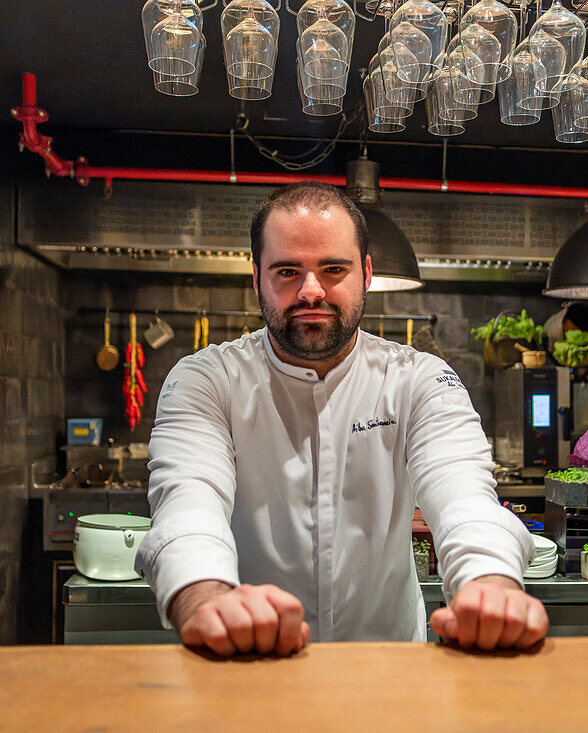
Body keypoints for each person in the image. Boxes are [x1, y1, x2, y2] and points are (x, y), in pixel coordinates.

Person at [136, 182, 548, 656]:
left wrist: (490, 583)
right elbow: (188, 502)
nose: (311, 291)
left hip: (390, 670)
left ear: (366, 273)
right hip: (249, 662)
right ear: (256, 279)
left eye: (333, 269)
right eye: (287, 271)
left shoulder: (419, 379)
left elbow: (465, 501)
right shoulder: (207, 379)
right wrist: (204, 598)